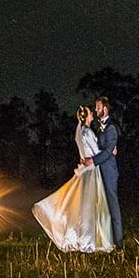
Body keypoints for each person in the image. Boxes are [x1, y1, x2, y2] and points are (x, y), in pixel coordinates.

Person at [31, 105, 114, 252]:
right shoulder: (87, 132)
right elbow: (95, 152)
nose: (93, 115)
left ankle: (83, 238)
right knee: (91, 207)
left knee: (82, 206)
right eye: (90, 113)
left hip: (84, 171)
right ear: (86, 116)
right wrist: (110, 150)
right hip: (91, 172)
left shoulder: (80, 132)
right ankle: (89, 242)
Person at [81, 96, 122, 246]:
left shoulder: (111, 128)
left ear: (105, 109)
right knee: (102, 207)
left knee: (113, 207)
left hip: (109, 172)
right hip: (98, 173)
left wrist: (93, 160)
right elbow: (100, 148)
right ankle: (105, 239)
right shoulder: (99, 128)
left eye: (98, 107)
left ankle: (119, 242)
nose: (95, 109)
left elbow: (106, 152)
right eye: (95, 107)